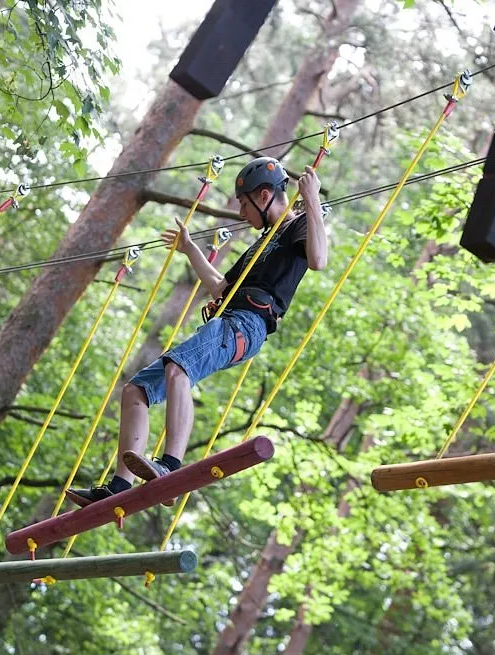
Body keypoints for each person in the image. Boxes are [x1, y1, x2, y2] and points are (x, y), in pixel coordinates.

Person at [66, 156, 326, 507]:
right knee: (136, 390)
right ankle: (119, 486)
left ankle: (170, 466)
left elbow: (318, 260)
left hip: (245, 325)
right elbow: (220, 286)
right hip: (228, 318)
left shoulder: (297, 228)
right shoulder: (258, 245)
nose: (242, 213)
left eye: (245, 204)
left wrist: (311, 200)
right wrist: (190, 248)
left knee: (178, 369)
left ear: (264, 196)